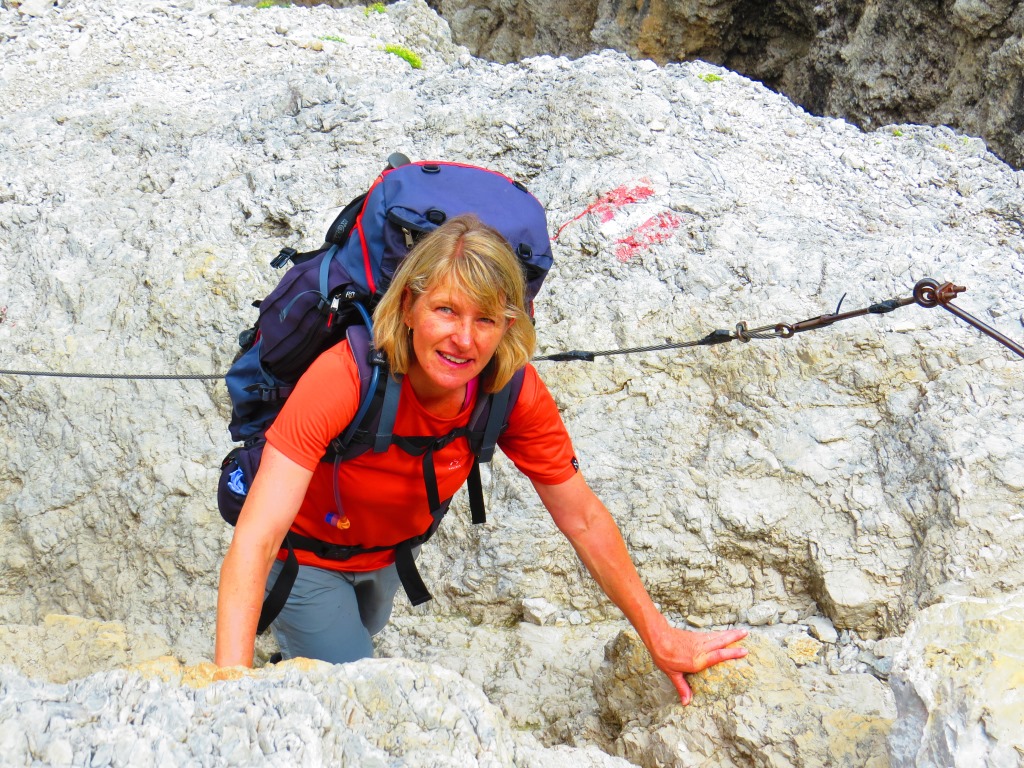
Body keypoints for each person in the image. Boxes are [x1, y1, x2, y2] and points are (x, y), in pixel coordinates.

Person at [215, 214, 747, 705]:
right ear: (409, 307)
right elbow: (257, 537)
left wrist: (659, 634)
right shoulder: (345, 378)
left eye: (486, 319)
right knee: (352, 692)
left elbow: (582, 518)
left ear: (508, 325)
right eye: (446, 310)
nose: (464, 340)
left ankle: (291, 676)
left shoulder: (510, 391)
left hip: (386, 560)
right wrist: (226, 698)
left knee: (341, 650)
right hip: (303, 559)